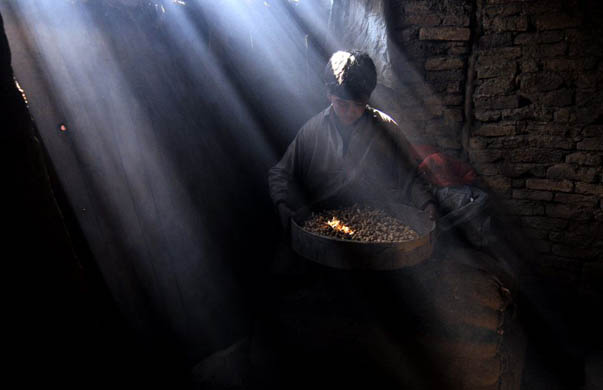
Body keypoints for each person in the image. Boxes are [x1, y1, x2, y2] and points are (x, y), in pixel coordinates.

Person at [268, 50, 436, 232]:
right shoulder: (312, 131)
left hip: (378, 222)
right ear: (329, 95)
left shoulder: (386, 128)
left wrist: (427, 204)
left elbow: (411, 174)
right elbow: (280, 172)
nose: (351, 112)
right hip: (326, 222)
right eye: (342, 103)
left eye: (359, 104)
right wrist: (281, 203)